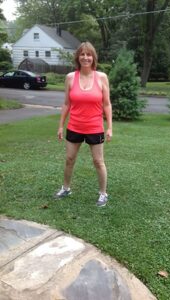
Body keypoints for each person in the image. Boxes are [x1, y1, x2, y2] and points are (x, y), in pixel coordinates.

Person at [55, 42, 112, 207]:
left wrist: (109, 127)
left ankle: (103, 193)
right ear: (78, 57)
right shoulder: (70, 77)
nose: (86, 57)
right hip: (74, 126)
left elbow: (107, 104)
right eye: (82, 54)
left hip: (95, 127)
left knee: (98, 161)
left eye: (89, 55)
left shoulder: (101, 77)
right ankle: (66, 188)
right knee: (69, 159)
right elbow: (66, 103)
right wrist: (60, 125)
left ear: (93, 58)